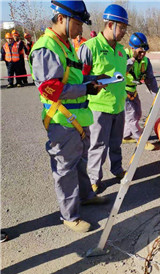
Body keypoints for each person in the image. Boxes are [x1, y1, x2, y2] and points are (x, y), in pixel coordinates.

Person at [29, 0, 109, 233]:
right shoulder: (46, 47)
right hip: (62, 122)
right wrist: (87, 89)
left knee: (80, 163)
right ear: (62, 18)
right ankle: (69, 215)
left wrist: (94, 78)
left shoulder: (64, 45)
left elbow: (71, 79)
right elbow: (50, 89)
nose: (81, 30)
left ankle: (85, 196)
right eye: (78, 23)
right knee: (65, 169)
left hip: (77, 120)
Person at [77, 4, 129, 194]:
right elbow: (79, 78)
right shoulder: (90, 48)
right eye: (121, 27)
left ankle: (117, 169)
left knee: (116, 142)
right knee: (98, 146)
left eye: (124, 28)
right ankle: (94, 179)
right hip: (98, 108)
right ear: (110, 25)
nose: (124, 32)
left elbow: (123, 73)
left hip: (118, 106)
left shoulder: (122, 51)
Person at [122, 32, 160, 150]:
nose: (142, 54)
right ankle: (141, 141)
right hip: (123, 91)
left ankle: (125, 136)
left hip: (133, 91)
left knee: (138, 113)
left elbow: (151, 81)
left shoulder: (146, 61)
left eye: (144, 51)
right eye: (140, 51)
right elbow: (121, 70)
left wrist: (157, 98)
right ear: (132, 48)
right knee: (132, 117)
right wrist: (133, 59)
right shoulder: (123, 57)